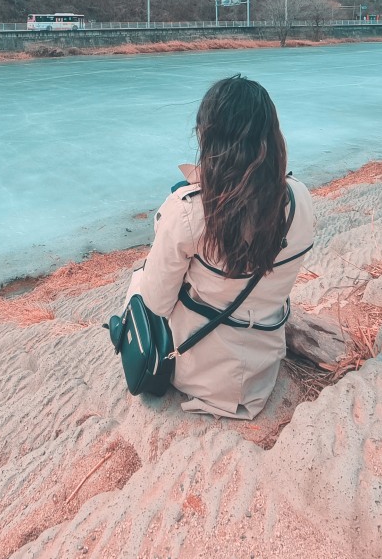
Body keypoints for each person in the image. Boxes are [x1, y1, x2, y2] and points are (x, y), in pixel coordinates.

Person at [124, 74, 314, 419]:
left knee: (140, 279)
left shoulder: (190, 210)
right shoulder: (299, 196)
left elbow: (156, 303)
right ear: (273, 136)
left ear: (208, 137)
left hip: (203, 374)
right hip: (262, 366)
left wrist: (170, 218)